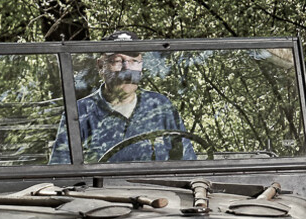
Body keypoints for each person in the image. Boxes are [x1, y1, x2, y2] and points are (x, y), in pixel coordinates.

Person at [50, 32, 196, 164]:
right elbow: (61, 170)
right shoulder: (80, 113)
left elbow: (187, 161)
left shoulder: (161, 106)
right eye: (118, 61)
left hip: (158, 191)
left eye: (134, 61)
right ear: (101, 66)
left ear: (142, 65)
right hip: (101, 192)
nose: (127, 70)